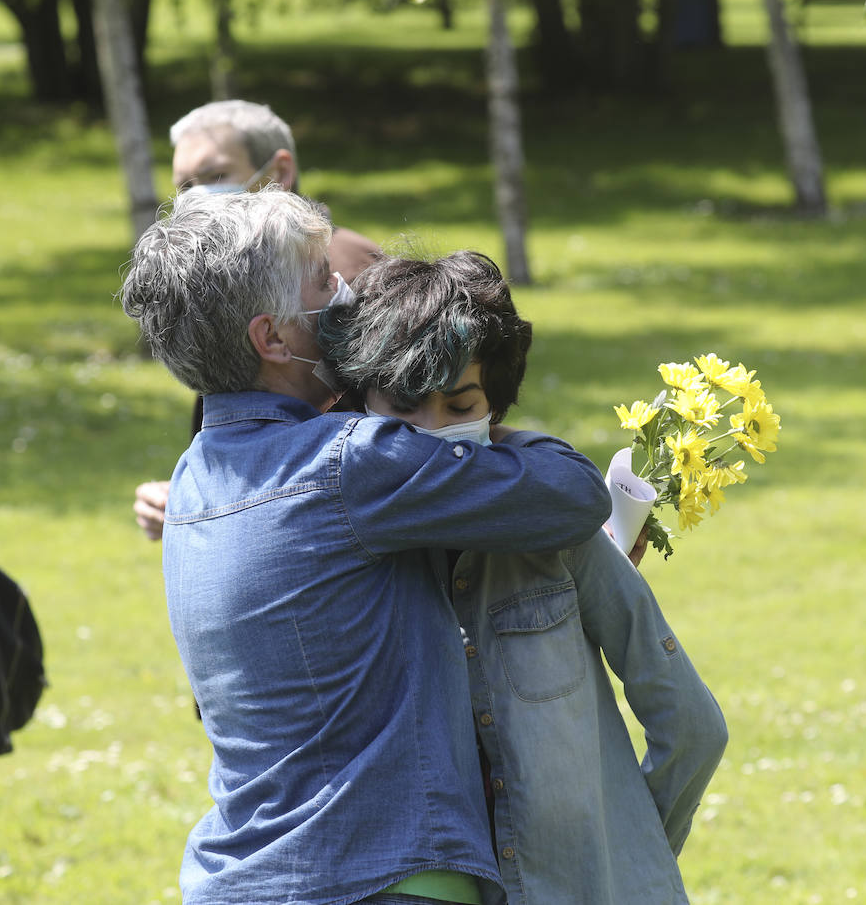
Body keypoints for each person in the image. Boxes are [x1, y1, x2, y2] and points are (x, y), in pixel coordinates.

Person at [117, 188, 612, 904]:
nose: (347, 287)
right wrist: (473, 433)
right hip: (383, 873)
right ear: (275, 340)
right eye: (323, 280)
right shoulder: (350, 464)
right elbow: (571, 494)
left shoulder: (194, 471)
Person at [318, 250, 729, 905]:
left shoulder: (558, 537)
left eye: (461, 407)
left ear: (496, 409)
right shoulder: (344, 547)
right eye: (404, 407)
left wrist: (628, 845)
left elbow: (692, 723)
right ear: (358, 400)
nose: (436, 439)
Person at [133, 99, 383, 538]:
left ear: (279, 173)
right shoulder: (213, 281)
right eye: (184, 185)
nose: (197, 198)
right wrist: (194, 498)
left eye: (215, 177)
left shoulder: (354, 269)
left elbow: (412, 414)